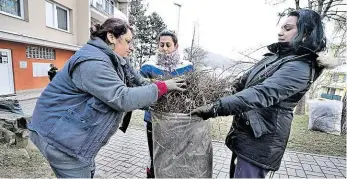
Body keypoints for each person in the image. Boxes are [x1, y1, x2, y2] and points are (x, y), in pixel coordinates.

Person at [28, 18, 186, 178]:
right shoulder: (93, 62)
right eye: (128, 41)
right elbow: (123, 98)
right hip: (59, 139)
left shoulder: (113, 59)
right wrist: (164, 86)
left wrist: (165, 101)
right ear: (111, 37)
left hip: (71, 134)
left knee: (88, 171)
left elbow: (137, 84)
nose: (131, 48)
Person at [191, 9, 336, 178]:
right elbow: (241, 83)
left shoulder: (300, 67)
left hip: (261, 140)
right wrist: (209, 92)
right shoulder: (275, 57)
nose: (280, 32)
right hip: (247, 134)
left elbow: (261, 93)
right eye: (282, 28)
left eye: (288, 29)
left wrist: (215, 108)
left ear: (306, 33)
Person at [139, 30, 193, 178]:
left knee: (175, 156)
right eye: (161, 44)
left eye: (168, 45)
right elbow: (138, 87)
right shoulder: (148, 67)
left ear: (176, 46)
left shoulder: (187, 67)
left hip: (178, 121)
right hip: (153, 119)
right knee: (155, 155)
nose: (164, 48)